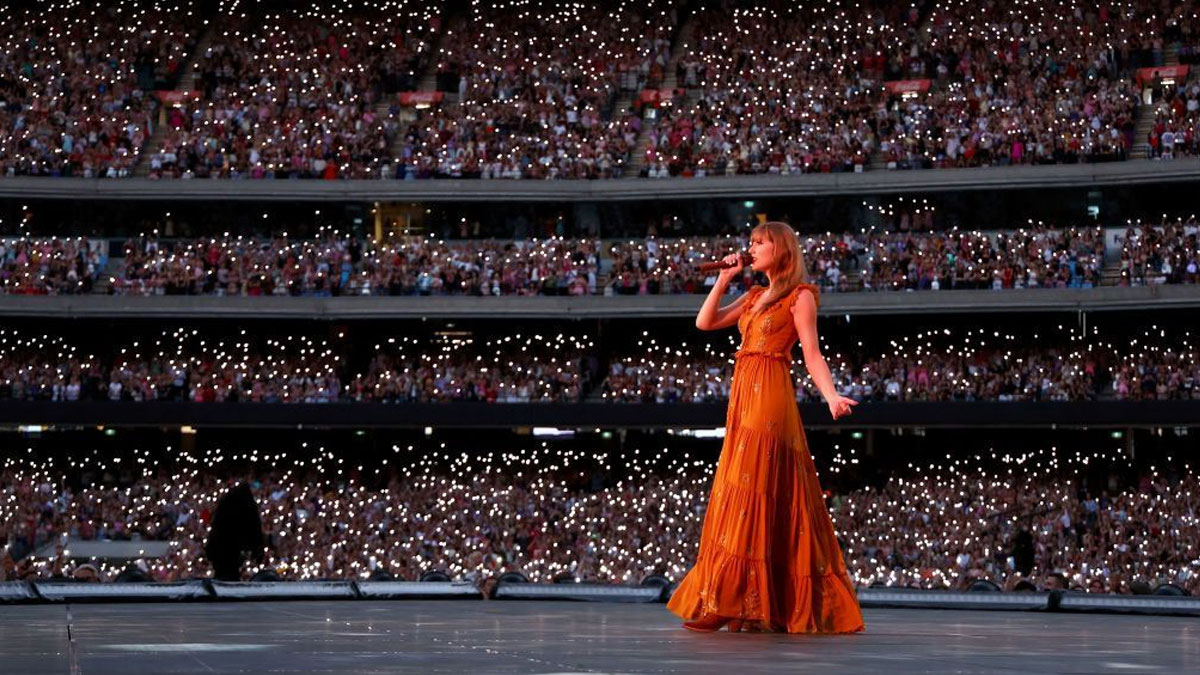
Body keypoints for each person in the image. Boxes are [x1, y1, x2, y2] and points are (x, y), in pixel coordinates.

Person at [667, 220, 865, 634]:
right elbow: (705, 322)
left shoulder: (800, 296)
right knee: (745, 488)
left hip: (771, 392)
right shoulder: (754, 295)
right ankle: (745, 602)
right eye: (751, 243)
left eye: (760, 243)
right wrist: (723, 280)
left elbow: (812, 353)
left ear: (783, 250)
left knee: (751, 486)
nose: (752, 249)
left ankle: (736, 602)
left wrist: (830, 395)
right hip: (744, 393)